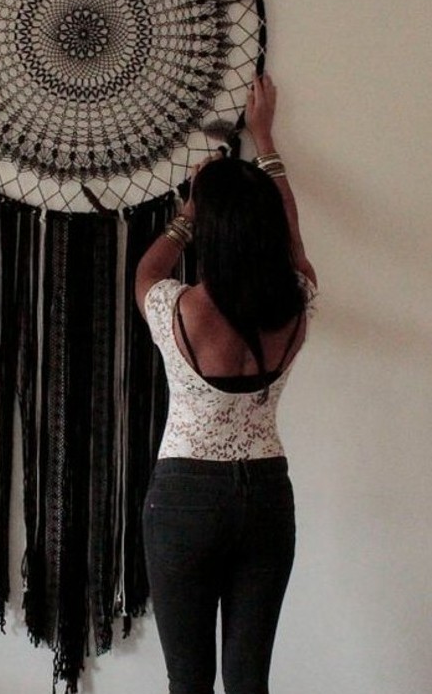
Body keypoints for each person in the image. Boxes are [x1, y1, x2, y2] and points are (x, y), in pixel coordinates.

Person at [135, 73, 317, 694]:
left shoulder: (177, 308)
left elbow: (147, 269)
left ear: (212, 231)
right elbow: (292, 243)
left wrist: (189, 212)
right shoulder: (296, 303)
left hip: (185, 498)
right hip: (267, 498)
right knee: (249, 683)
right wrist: (264, 141)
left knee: (188, 684)